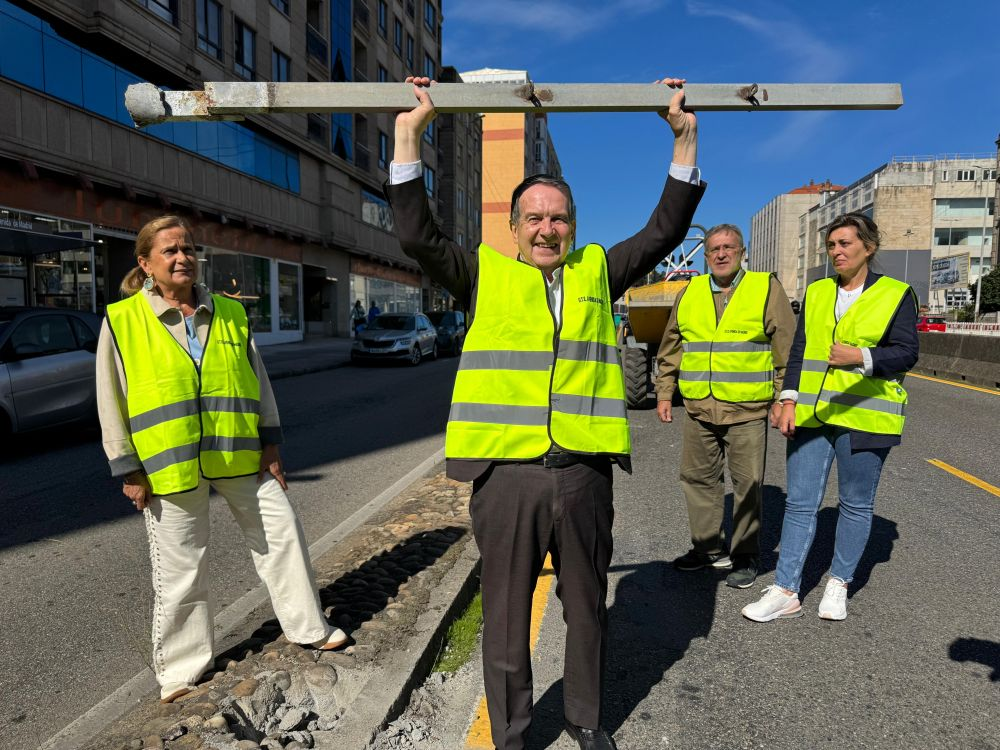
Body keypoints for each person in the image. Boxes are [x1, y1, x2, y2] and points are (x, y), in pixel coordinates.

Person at [386, 75, 704, 750]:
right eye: (533, 218)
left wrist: (683, 140)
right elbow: (416, 235)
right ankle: (512, 736)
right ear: (513, 227)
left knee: (587, 608)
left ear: (573, 227)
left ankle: (586, 719)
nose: (547, 228)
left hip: (584, 473)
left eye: (558, 218)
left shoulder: (598, 271)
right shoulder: (482, 274)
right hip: (507, 478)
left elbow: (664, 231)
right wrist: (409, 135)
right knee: (506, 617)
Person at [96, 216, 347, 704]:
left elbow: (258, 381)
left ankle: (309, 627)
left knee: (282, 532)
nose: (182, 257)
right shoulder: (122, 320)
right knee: (181, 568)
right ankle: (181, 670)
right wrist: (127, 468)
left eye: (188, 248)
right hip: (168, 463)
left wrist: (271, 444)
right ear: (145, 264)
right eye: (170, 250)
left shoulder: (230, 312)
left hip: (241, 451)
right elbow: (112, 398)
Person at [741, 213, 918, 623]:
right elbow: (800, 350)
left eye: (845, 244)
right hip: (813, 413)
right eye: (831, 245)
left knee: (855, 504)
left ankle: (838, 583)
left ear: (868, 247)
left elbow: (907, 352)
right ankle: (786, 590)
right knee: (800, 502)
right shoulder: (818, 291)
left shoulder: (896, 293)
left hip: (865, 416)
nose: (836, 252)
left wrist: (861, 356)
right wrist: (787, 399)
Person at [655, 225, 795, 589]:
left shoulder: (765, 288)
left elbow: (785, 348)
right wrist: (665, 392)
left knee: (748, 484)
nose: (721, 254)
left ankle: (745, 555)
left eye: (729, 247)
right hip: (699, 408)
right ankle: (707, 549)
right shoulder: (691, 291)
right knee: (697, 479)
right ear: (706, 256)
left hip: (746, 410)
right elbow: (672, 344)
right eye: (714, 249)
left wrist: (784, 398)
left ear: (742, 252)